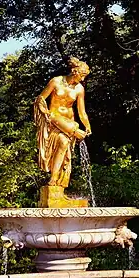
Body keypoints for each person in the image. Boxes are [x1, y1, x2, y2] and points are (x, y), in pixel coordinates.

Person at [34, 57, 91, 189]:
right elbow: (40, 99)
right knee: (72, 129)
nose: (82, 79)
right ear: (74, 71)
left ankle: (54, 178)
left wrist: (88, 126)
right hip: (54, 120)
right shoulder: (56, 81)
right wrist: (44, 110)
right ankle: (75, 131)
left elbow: (81, 112)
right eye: (82, 76)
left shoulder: (79, 89)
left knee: (64, 143)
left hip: (67, 122)